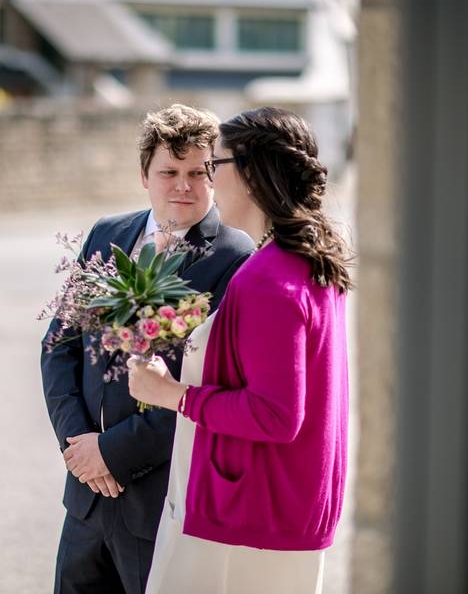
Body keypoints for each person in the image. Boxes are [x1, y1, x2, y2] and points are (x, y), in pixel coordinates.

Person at [127, 106, 353, 594]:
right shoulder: (308, 262)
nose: (207, 179)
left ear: (248, 175)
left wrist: (172, 394)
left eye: (215, 165)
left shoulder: (267, 277)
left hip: (247, 516)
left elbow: (275, 413)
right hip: (282, 510)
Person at [41, 104, 254, 594]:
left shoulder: (236, 258)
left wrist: (113, 454)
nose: (183, 185)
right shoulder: (107, 234)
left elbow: (213, 385)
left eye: (197, 173)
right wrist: (78, 449)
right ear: (144, 175)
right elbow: (59, 346)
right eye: (169, 172)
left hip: (159, 497)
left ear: (214, 177)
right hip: (87, 495)